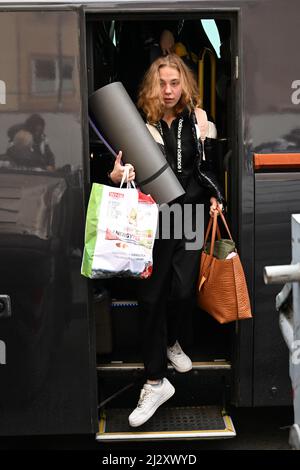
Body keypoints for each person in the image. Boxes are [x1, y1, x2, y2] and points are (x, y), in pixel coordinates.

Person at [107, 54, 223, 427]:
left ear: (184, 85)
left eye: (175, 83)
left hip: (187, 215)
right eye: (162, 84)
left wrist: (215, 198)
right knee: (151, 299)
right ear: (152, 87)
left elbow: (210, 169)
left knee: (184, 292)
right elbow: (124, 169)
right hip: (151, 218)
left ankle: (174, 342)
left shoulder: (200, 122)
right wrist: (117, 175)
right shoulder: (138, 125)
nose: (169, 90)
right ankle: (155, 381)